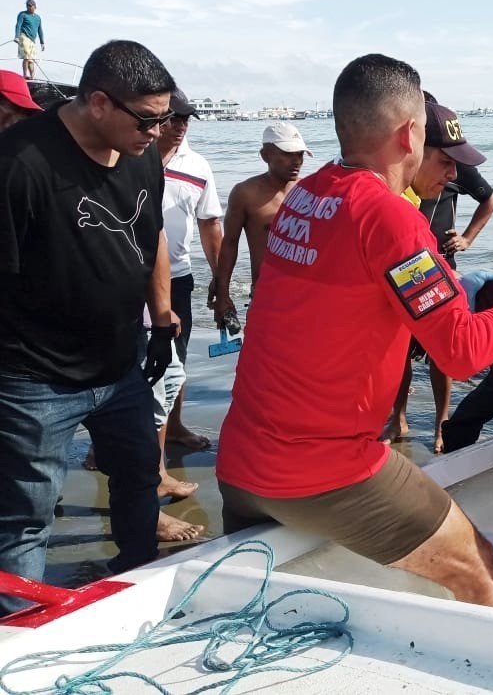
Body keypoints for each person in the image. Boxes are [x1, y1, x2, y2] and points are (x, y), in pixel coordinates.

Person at [215, 53, 493, 609]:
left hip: (240, 464)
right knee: (477, 566)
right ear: (410, 133)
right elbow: (461, 353)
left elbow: (348, 297)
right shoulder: (393, 218)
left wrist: (456, 292)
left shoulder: (304, 196)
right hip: (322, 470)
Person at [0, 40, 177, 616]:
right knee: (24, 518)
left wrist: (162, 317)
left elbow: (149, 237)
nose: (159, 132)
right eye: (149, 119)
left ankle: (139, 587)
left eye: (165, 118)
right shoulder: (20, 164)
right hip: (34, 379)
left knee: (138, 479)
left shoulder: (141, 151)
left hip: (119, 362)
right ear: (99, 102)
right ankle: (19, 634)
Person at [384, 96, 493, 451]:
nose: (450, 172)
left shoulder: (451, 163)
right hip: (402, 266)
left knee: (440, 351)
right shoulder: (394, 191)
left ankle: (441, 422)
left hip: (437, 266)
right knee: (400, 347)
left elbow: (489, 199)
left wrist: (466, 238)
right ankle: (397, 416)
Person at [156, 90, 223, 451]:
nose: (180, 126)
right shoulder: (131, 155)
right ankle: (103, 442)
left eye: (185, 119)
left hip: (178, 275)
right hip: (127, 275)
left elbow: (210, 224)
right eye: (173, 118)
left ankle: (175, 426)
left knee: (176, 358)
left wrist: (220, 277)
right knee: (121, 356)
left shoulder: (197, 165)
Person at [212, 122, 309, 324]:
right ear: (266, 155)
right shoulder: (245, 193)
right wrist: (223, 294)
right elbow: (229, 244)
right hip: (266, 293)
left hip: (307, 294)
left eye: (300, 154)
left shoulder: (309, 191)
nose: (296, 161)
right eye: (288, 154)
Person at [14, 0, 45, 81]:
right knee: (27, 57)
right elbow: (18, 25)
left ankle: (32, 77)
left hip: (32, 39)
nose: (28, 6)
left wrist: (42, 42)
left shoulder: (38, 18)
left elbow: (40, 30)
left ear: (35, 6)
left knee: (31, 60)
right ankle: (25, 75)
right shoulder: (22, 14)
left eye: (30, 5)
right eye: (27, 5)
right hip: (23, 36)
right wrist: (16, 36)